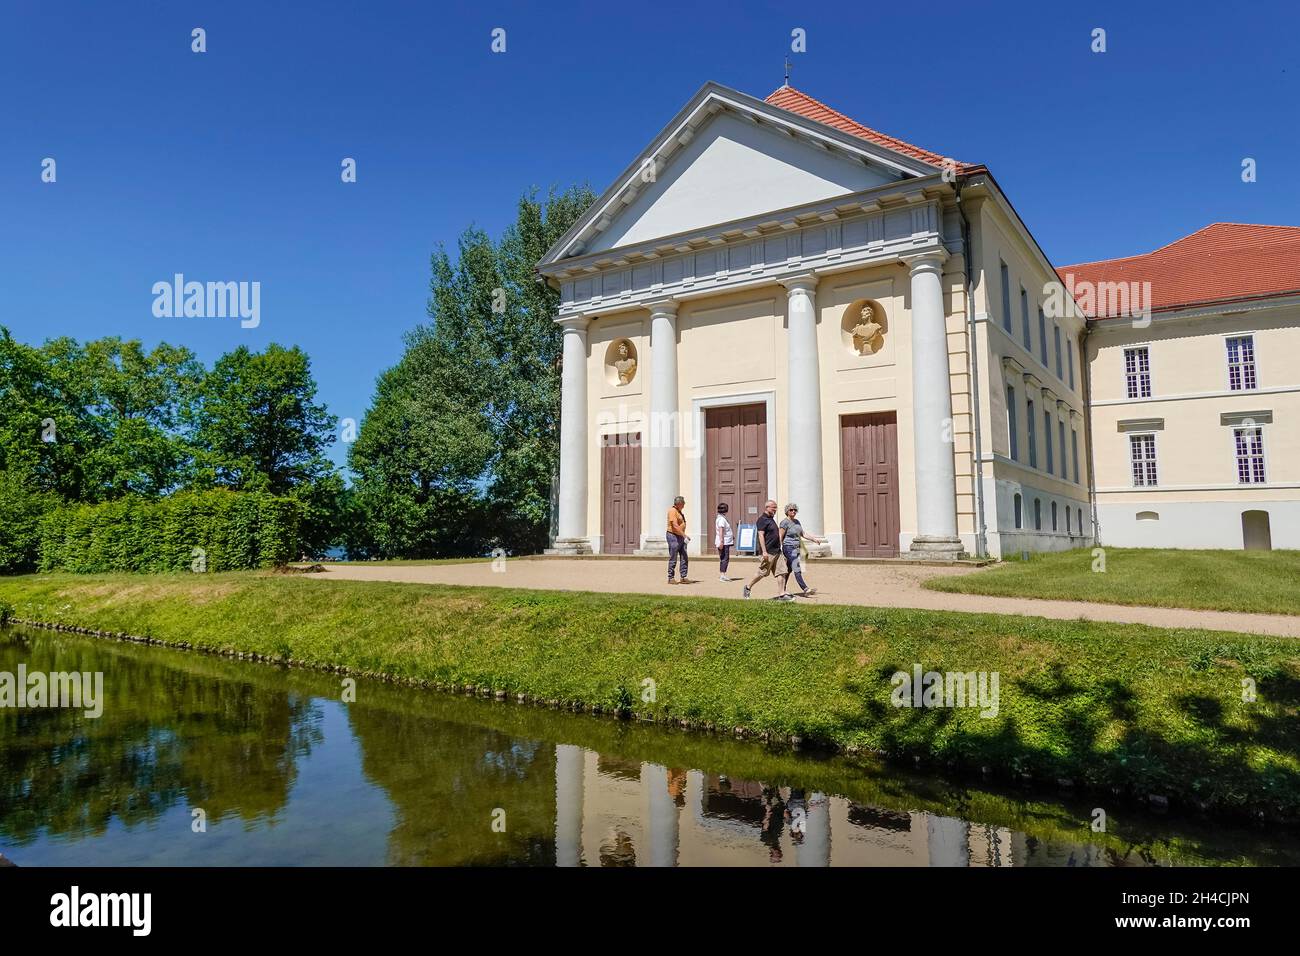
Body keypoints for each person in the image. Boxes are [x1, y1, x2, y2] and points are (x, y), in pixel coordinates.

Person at [744, 500, 791, 600]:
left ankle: (781, 594)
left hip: (777, 551)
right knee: (762, 573)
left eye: (776, 508)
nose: (775, 510)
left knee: (782, 572)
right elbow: (760, 535)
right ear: (767, 507)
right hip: (768, 552)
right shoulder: (762, 520)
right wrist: (764, 551)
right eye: (773, 507)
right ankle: (748, 587)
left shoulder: (771, 519)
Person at [778, 503, 826, 597]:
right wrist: (779, 548)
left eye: (795, 510)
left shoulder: (797, 522)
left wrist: (814, 539)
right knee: (797, 567)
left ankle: (782, 589)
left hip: (796, 548)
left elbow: (803, 533)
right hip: (788, 547)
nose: (793, 511)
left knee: (789, 569)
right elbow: (780, 535)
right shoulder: (784, 522)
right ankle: (805, 588)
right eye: (791, 510)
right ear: (787, 511)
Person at [666, 495, 690, 584]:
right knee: (673, 557)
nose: (684, 505)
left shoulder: (679, 511)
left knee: (684, 556)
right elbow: (674, 526)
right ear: (679, 503)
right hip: (673, 536)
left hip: (680, 536)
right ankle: (671, 578)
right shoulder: (672, 511)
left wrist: (683, 535)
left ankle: (683, 577)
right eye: (683, 503)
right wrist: (684, 535)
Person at [714, 502, 734, 581]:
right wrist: (721, 542)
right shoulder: (722, 519)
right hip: (724, 542)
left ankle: (723, 574)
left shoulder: (721, 518)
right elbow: (721, 530)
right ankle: (722, 575)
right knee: (724, 558)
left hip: (725, 541)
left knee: (724, 558)